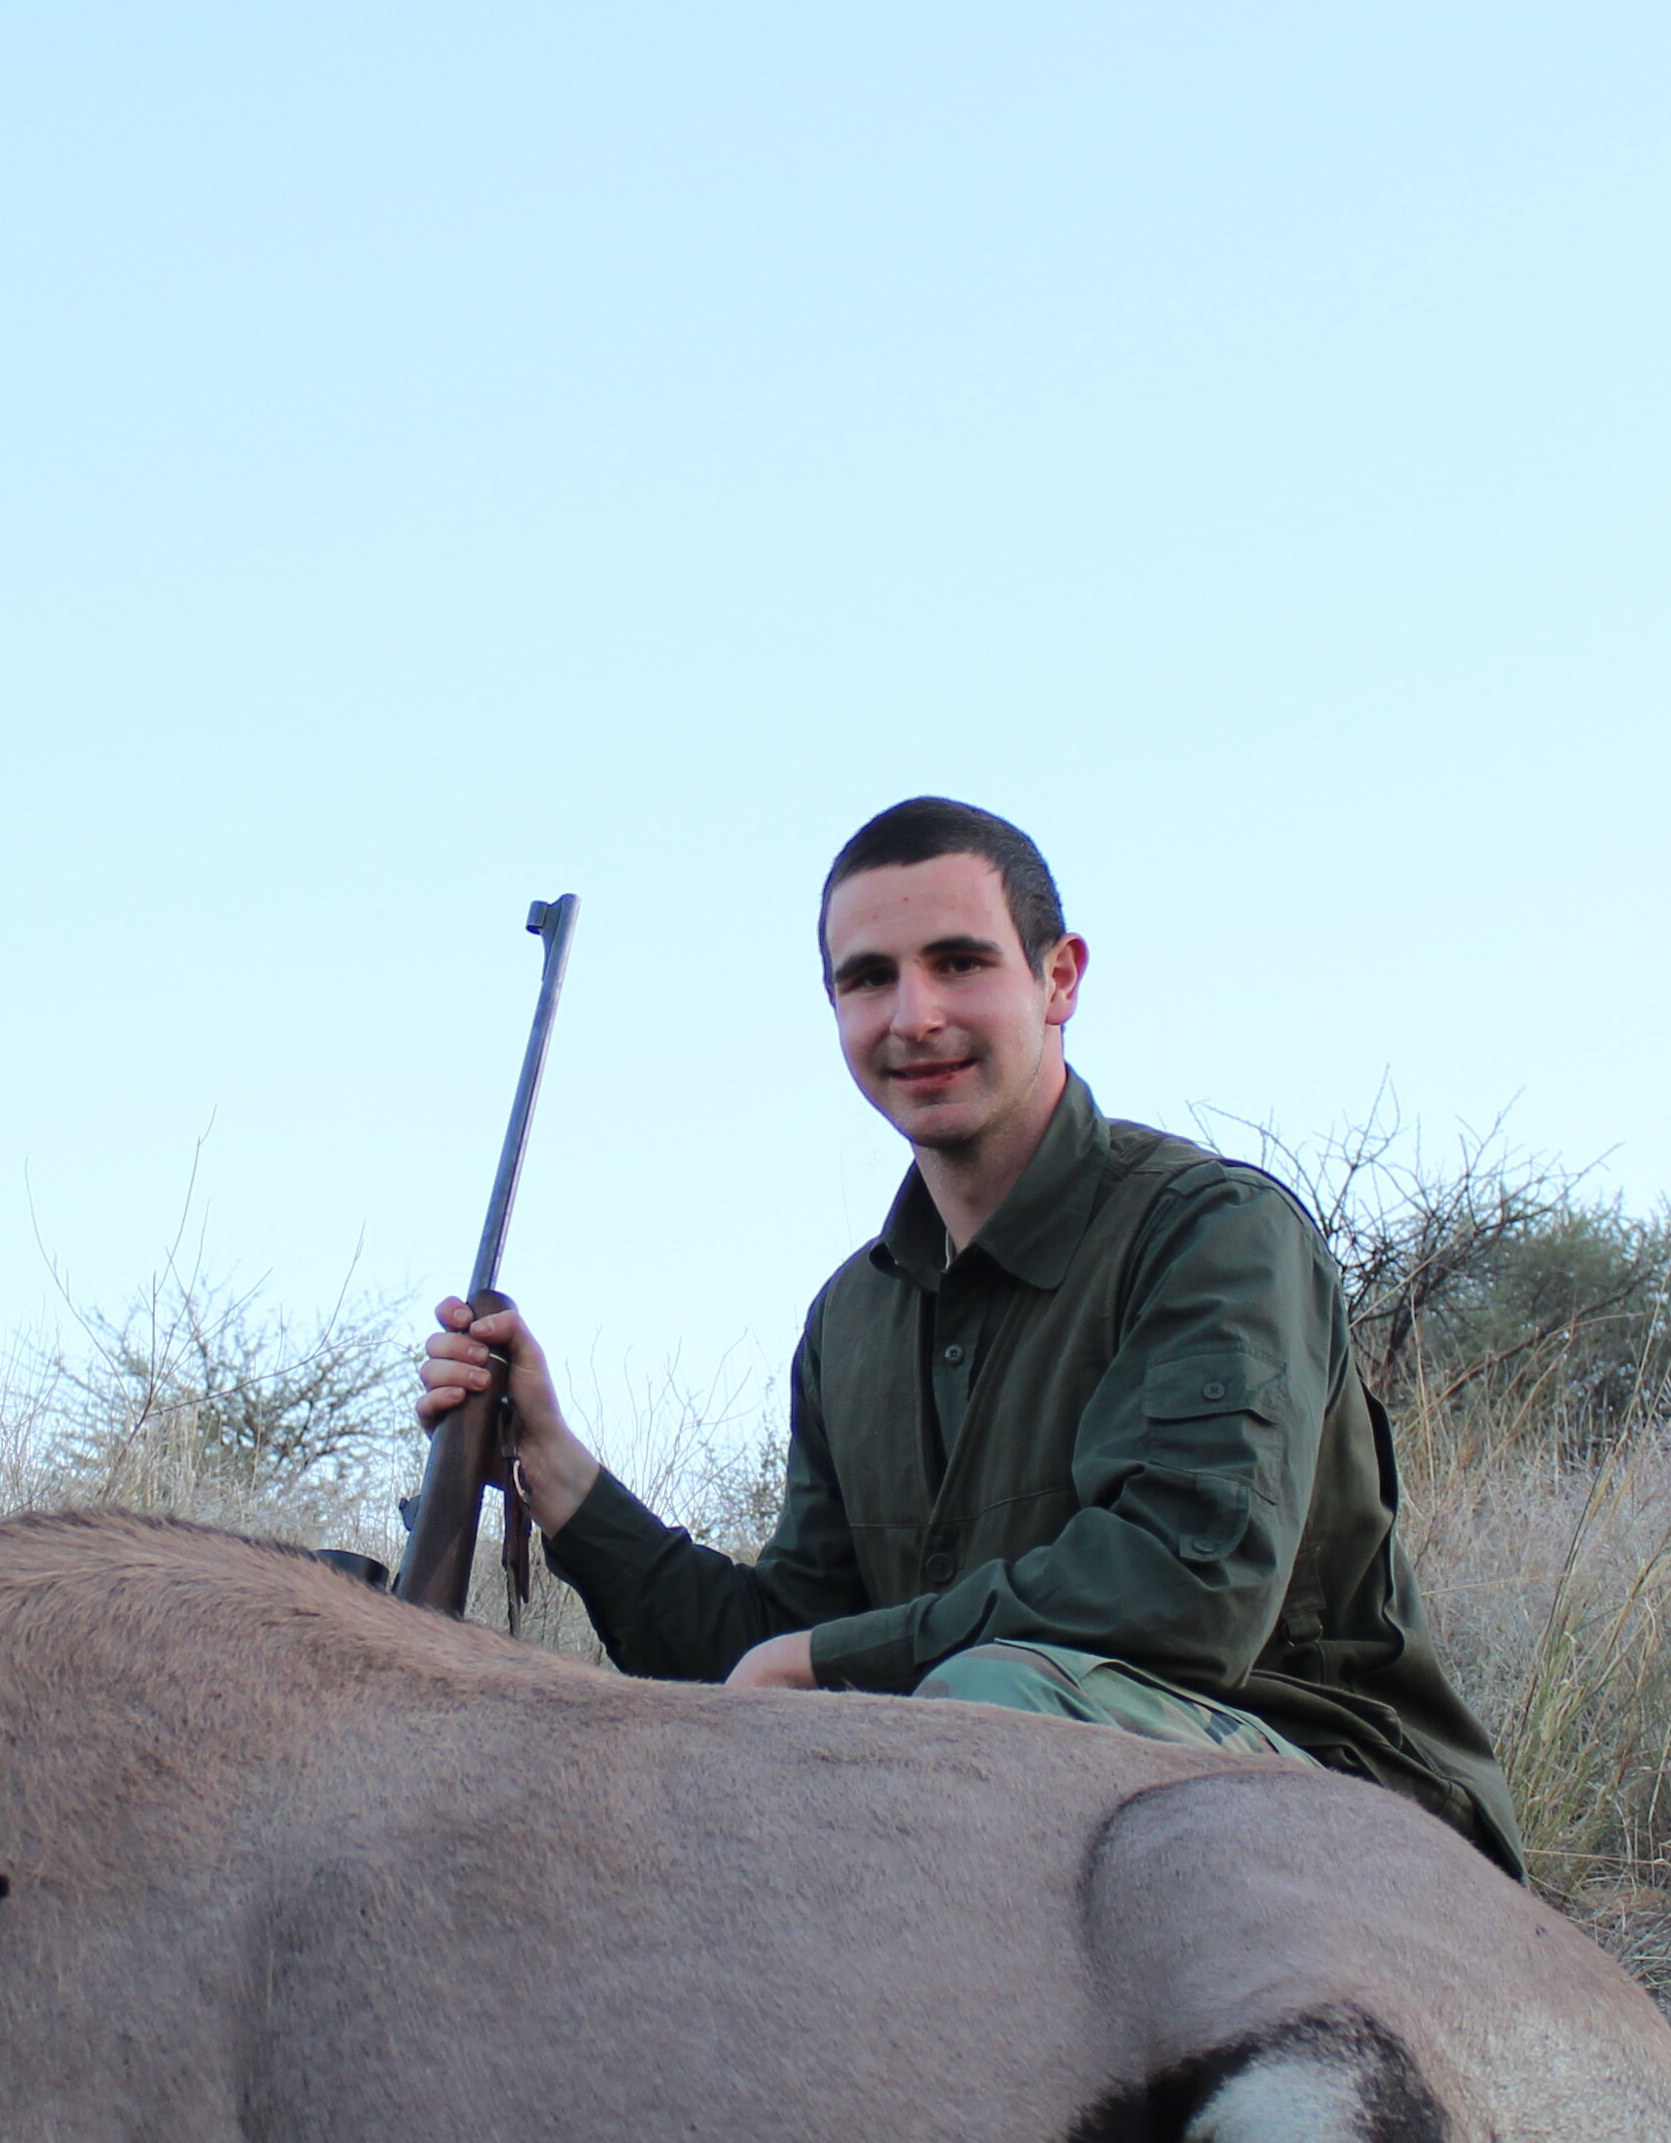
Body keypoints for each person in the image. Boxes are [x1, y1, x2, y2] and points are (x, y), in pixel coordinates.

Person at [415, 795, 1519, 1874]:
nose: (913, 1018)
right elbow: (764, 1655)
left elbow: (1191, 1589)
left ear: (1059, 977)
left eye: (960, 964)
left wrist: (829, 1660)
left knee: (985, 1704)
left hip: (1349, 1810)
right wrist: (557, 1474)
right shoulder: (851, 1320)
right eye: (869, 980)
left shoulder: (1215, 1234)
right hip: (1023, 1803)